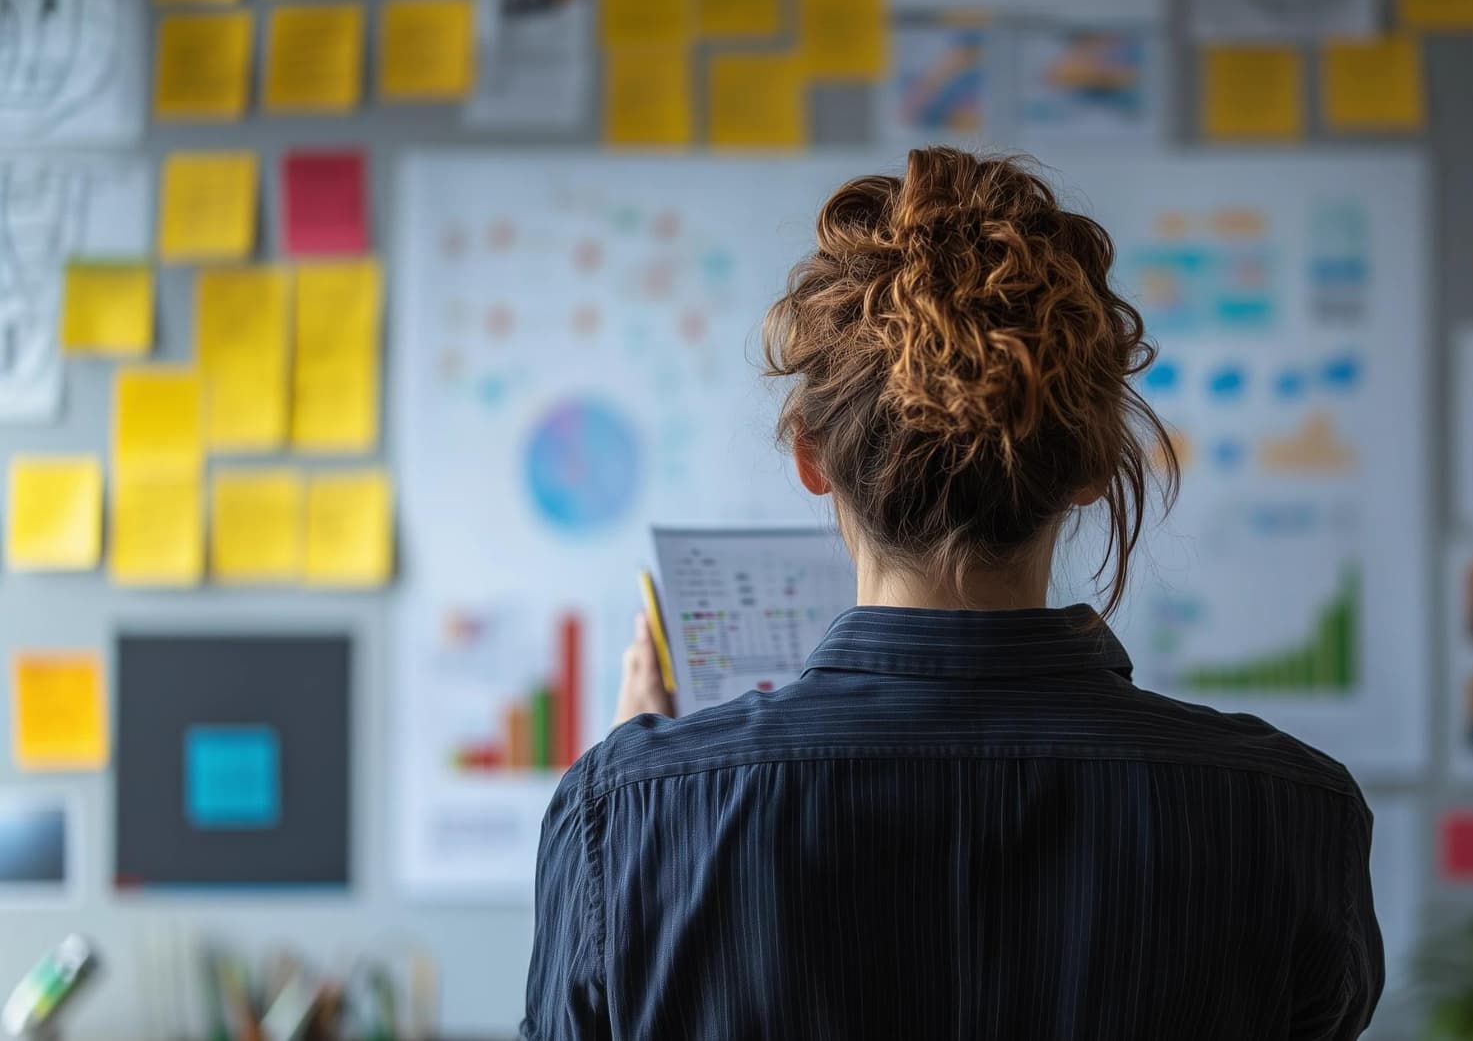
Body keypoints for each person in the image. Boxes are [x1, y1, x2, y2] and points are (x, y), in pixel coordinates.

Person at [523, 148, 1383, 1040]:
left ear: (811, 459)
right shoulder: (1291, 812)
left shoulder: (623, 811)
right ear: (1092, 467)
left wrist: (638, 775)